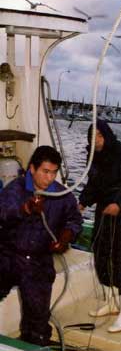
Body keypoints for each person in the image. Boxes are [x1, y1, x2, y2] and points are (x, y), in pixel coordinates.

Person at [0, 145, 82, 347]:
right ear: (32, 169)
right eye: (45, 172)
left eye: (54, 172)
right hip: (8, 255)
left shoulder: (62, 195)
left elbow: (75, 220)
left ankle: (34, 342)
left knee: (37, 321)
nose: (50, 178)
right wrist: (25, 208)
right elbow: (2, 214)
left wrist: (66, 237)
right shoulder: (15, 189)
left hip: (38, 261)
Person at [78, 119, 121, 333]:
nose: (95, 140)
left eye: (99, 135)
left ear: (107, 134)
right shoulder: (96, 157)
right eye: (92, 136)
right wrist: (82, 202)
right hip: (104, 214)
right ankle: (112, 302)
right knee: (102, 256)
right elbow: (94, 185)